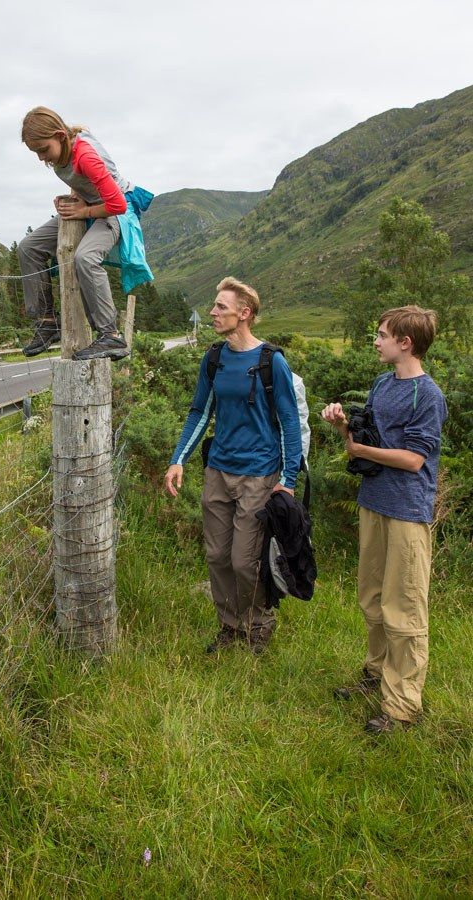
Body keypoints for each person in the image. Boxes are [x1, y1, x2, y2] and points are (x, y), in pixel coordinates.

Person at [321, 305, 447, 734]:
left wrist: (360, 451)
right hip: (373, 502)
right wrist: (343, 429)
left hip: (407, 512)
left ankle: (402, 706)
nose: (375, 341)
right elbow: (367, 441)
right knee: (372, 598)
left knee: (405, 608)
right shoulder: (381, 384)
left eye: (381, 335)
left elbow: (414, 459)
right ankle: (376, 674)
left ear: (405, 342)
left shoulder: (427, 395)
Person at [164, 277, 302, 654]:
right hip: (218, 471)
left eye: (220, 307)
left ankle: (258, 625)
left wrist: (288, 480)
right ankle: (229, 628)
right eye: (214, 305)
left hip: (259, 473)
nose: (212, 312)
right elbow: (200, 412)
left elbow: (289, 422)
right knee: (216, 555)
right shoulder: (214, 358)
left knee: (244, 560)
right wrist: (179, 460)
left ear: (245, 314)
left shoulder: (272, 362)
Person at [19, 106, 153, 359]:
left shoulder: (85, 156)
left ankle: (110, 336)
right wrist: (74, 197)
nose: (40, 158)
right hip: (90, 205)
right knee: (29, 247)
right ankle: (47, 322)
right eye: (35, 152)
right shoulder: (64, 150)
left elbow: (118, 205)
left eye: (43, 150)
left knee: (85, 258)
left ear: (60, 136)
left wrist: (83, 213)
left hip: (114, 211)